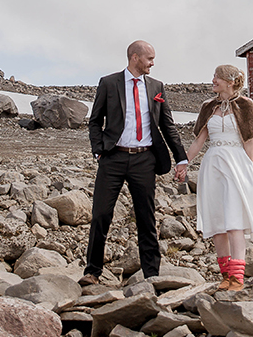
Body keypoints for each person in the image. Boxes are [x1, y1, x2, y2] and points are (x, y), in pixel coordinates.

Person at [81, 40, 189, 286]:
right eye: (149, 58)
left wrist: (181, 158)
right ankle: (92, 272)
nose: (153, 63)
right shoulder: (109, 83)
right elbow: (95, 121)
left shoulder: (157, 87)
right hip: (113, 157)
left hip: (144, 159)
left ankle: (151, 274)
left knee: (146, 217)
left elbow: (167, 125)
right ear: (135, 57)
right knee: (101, 214)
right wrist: (98, 151)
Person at [179, 64, 253, 291]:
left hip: (236, 164)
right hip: (213, 164)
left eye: (217, 77)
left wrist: (249, 170)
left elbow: (249, 142)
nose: (213, 80)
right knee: (217, 219)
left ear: (229, 82)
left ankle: (238, 277)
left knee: (234, 218)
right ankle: (226, 275)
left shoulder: (246, 105)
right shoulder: (208, 106)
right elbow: (199, 140)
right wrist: (184, 162)